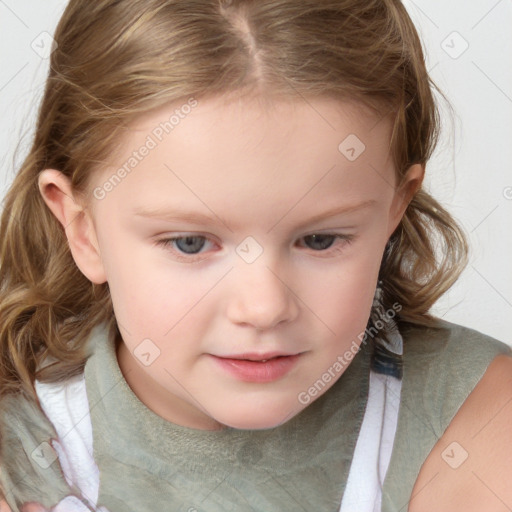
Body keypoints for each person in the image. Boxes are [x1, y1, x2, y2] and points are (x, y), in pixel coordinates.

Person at [0, 0, 511, 511]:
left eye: (320, 240)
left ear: (394, 209)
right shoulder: (22, 450)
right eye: (190, 243)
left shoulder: (478, 420)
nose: (264, 307)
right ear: (83, 230)